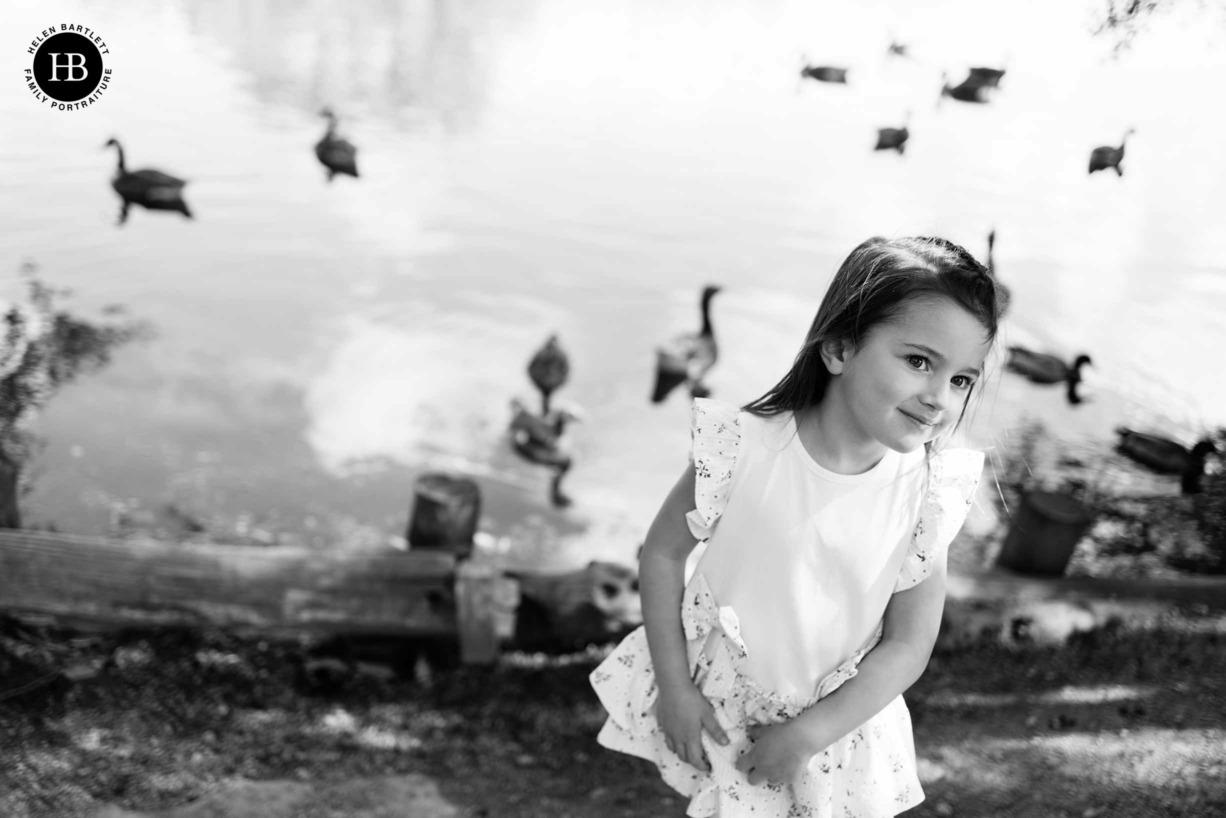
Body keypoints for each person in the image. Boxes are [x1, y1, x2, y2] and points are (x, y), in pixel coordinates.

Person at [590, 236, 1005, 817]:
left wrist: (810, 734)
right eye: (919, 362)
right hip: (719, 704)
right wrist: (676, 687)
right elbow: (662, 553)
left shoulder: (926, 492)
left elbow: (910, 642)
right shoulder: (742, 448)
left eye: (962, 379)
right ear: (838, 347)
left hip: (834, 733)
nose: (940, 397)